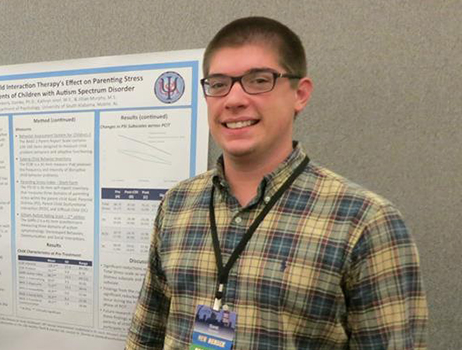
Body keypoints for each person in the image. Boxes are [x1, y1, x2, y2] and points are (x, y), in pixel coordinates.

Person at [126, 16, 427, 349]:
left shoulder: (365, 222)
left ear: (300, 93)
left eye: (258, 80)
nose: (234, 99)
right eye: (218, 83)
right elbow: (146, 335)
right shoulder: (178, 204)